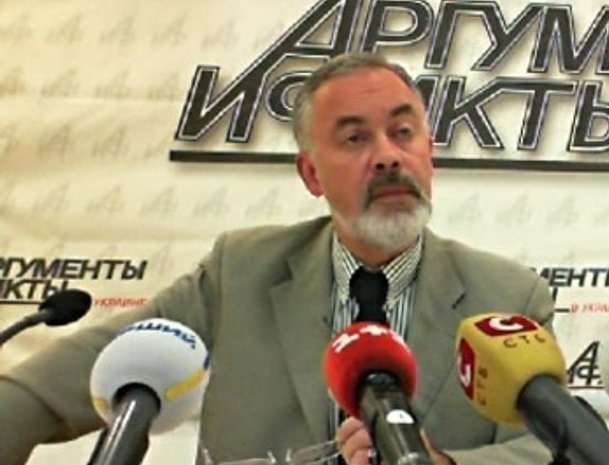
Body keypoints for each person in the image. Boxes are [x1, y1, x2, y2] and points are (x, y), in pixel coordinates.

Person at [0, 53, 555, 465]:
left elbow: (552, 448)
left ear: (429, 153)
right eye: (355, 139)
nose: (387, 156)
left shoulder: (506, 295)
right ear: (312, 174)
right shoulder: (239, 272)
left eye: (402, 132)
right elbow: (57, 384)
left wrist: (446, 464)